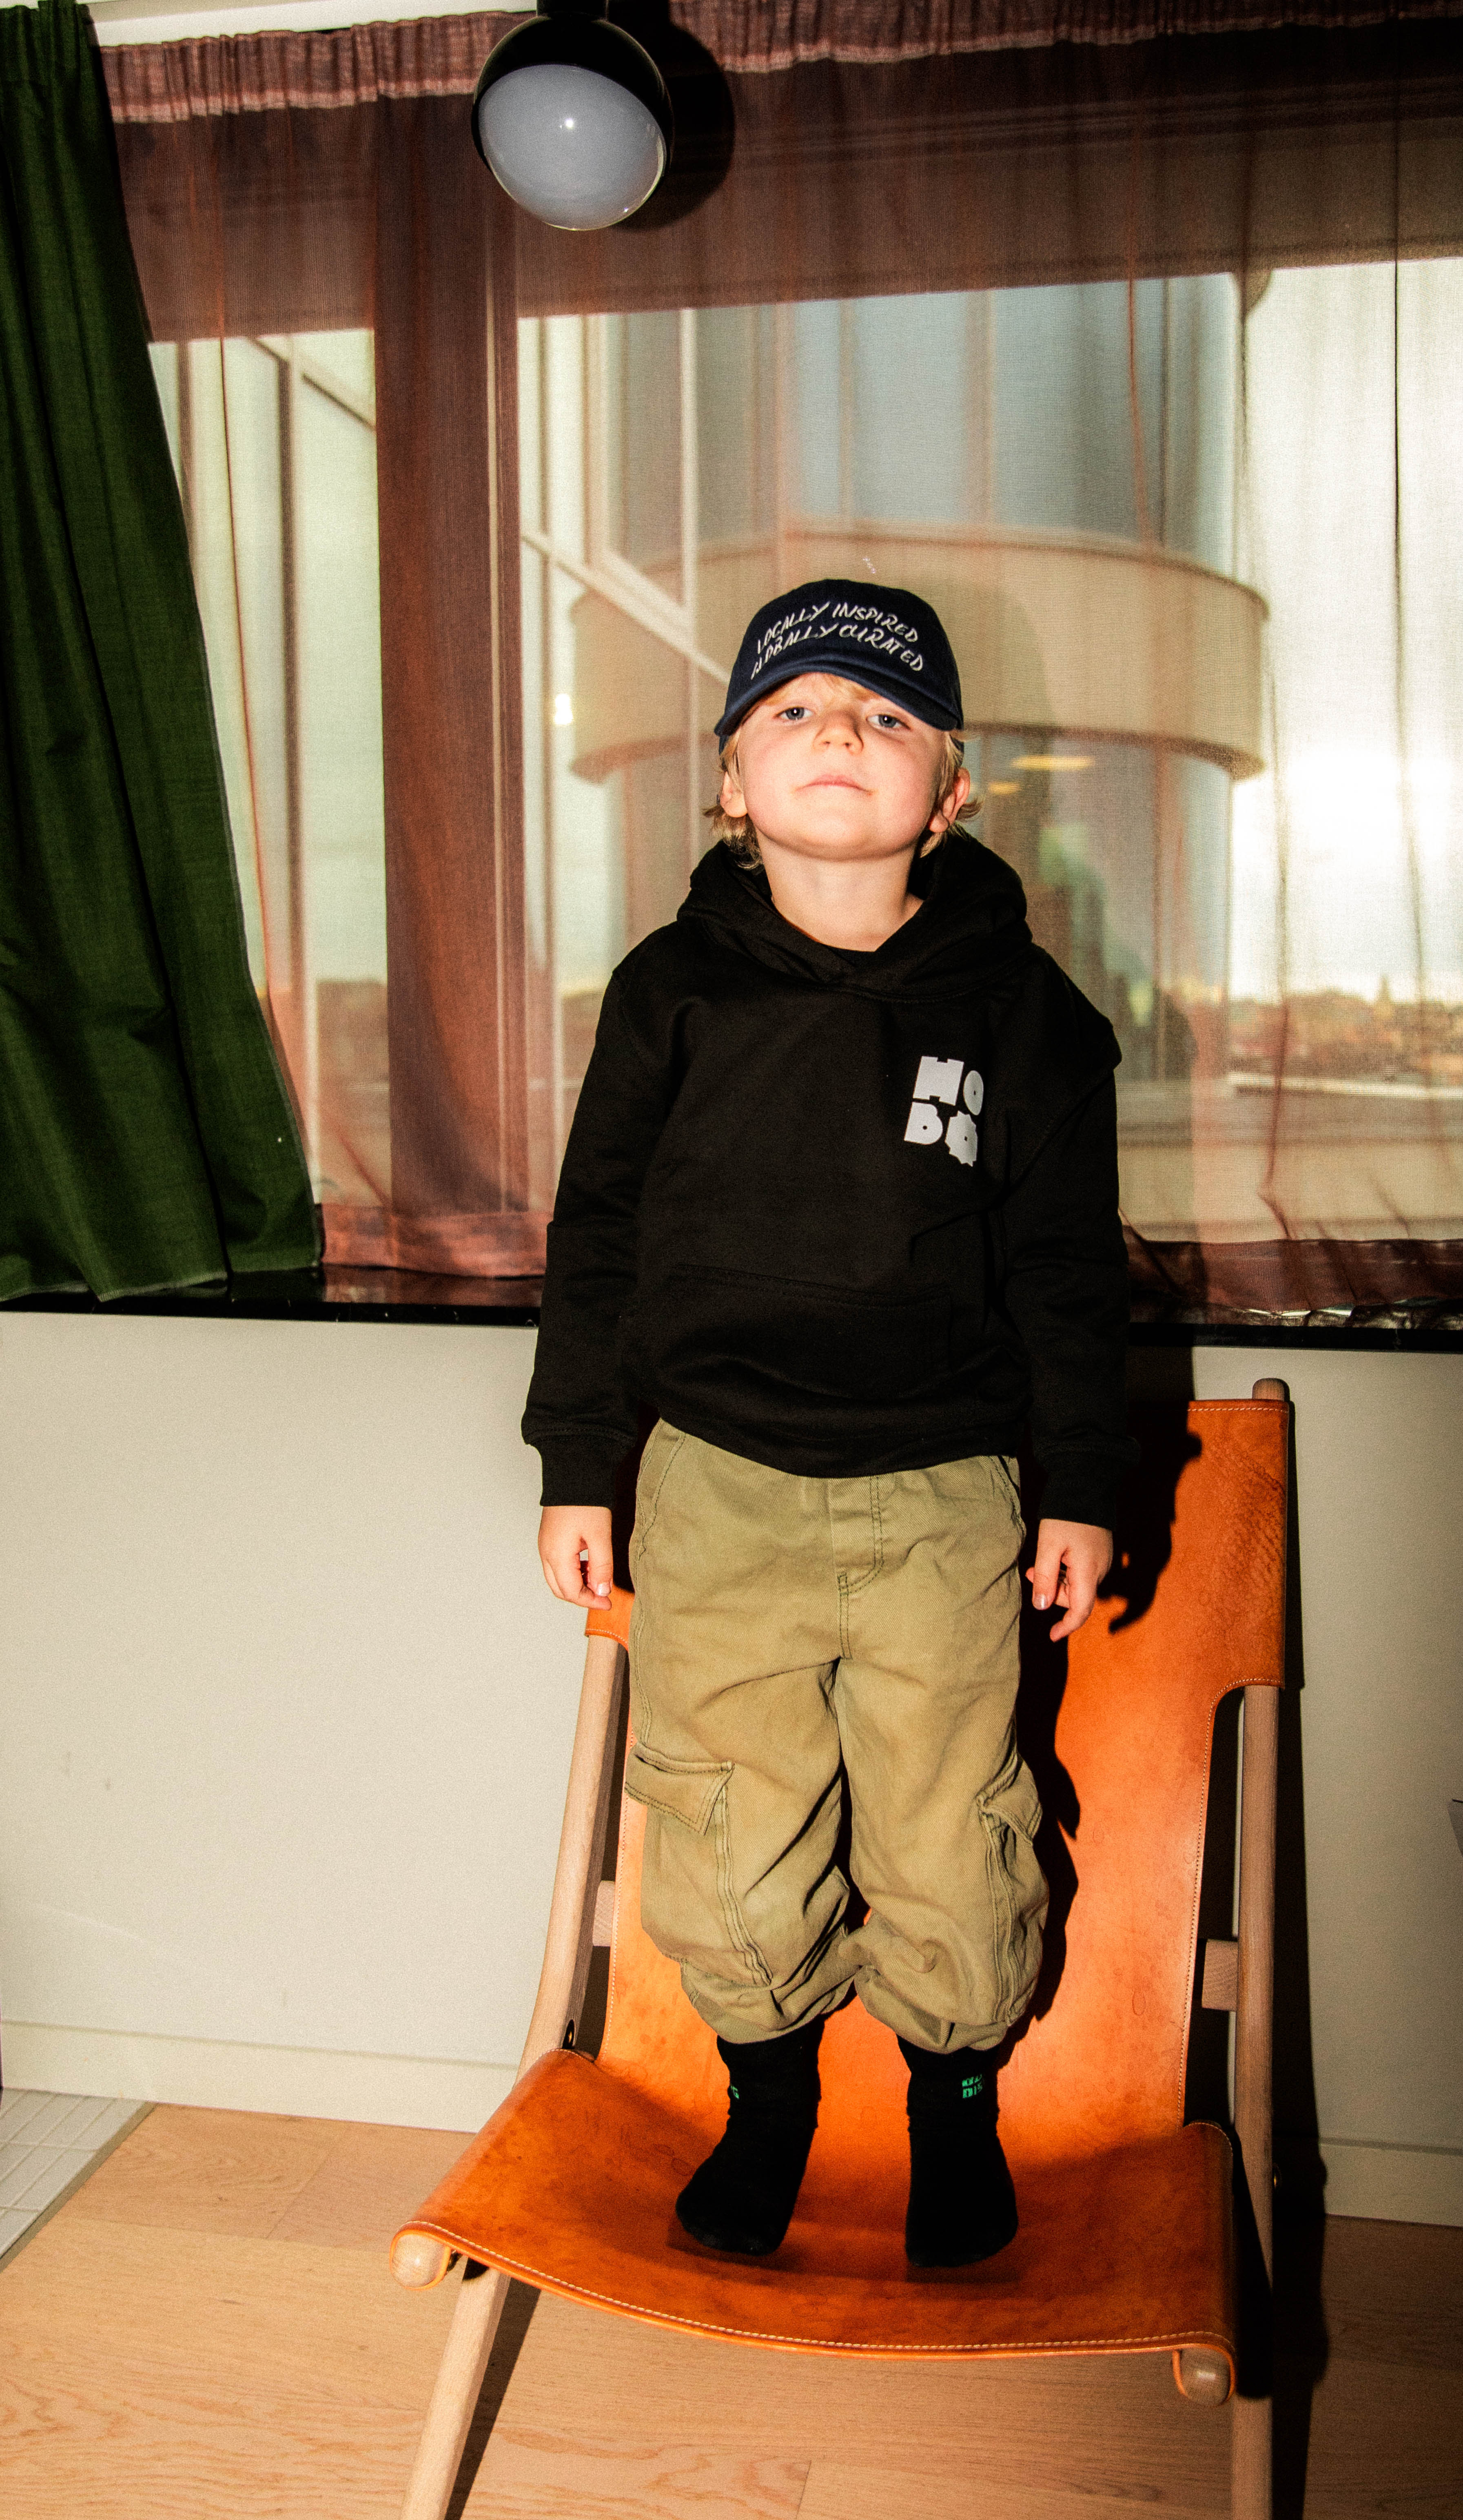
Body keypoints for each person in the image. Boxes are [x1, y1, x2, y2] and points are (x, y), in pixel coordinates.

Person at [522, 578, 1132, 2270]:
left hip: (947, 1499)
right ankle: (768, 2094)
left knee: (952, 1818)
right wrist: (580, 1462)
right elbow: (598, 1238)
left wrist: (1084, 1486)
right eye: (791, 709)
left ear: (950, 790)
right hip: (715, 1488)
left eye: (885, 712)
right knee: (730, 1810)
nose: (838, 732)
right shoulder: (668, 993)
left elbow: (1070, 1272)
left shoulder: (1027, 1016)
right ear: (731, 781)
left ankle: (953, 2099)